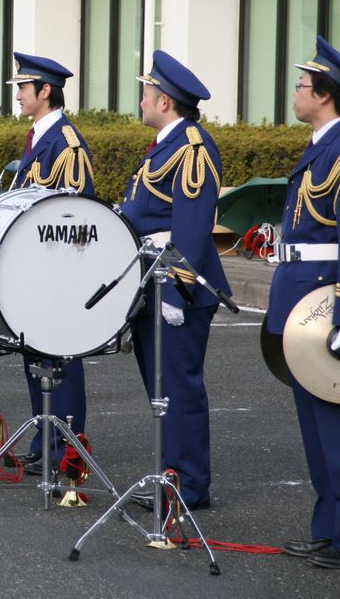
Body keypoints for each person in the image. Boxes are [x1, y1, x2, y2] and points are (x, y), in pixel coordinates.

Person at [267, 36, 340, 569]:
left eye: (302, 85)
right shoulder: (323, 143)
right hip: (300, 295)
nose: (295, 92)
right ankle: (331, 525)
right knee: (315, 425)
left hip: (327, 300)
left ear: (325, 94)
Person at [120, 50, 229, 512]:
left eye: (146, 93)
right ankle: (172, 476)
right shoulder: (168, 143)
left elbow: (193, 223)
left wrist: (179, 289)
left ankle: (188, 485)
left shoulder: (191, 147)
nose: (141, 100)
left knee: (179, 390)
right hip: (153, 277)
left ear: (164, 101)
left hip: (174, 285)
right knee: (161, 390)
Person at [7, 52, 96, 473]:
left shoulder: (66, 143)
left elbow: (77, 219)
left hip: (57, 273)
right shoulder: (40, 137)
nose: (19, 95)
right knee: (37, 358)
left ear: (46, 91)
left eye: (25, 88)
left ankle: (67, 448)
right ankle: (46, 440)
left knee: (60, 360)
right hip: (34, 269)